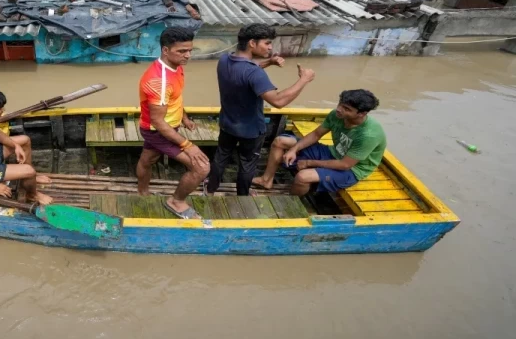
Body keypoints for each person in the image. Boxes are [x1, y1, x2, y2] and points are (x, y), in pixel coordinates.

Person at [207, 23, 316, 196]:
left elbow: (245, 72)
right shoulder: (255, 73)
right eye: (267, 43)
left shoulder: (225, 59)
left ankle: (210, 189)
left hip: (227, 123)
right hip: (251, 129)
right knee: (247, 164)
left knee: (221, 157)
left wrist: (269, 62)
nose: (270, 47)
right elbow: (278, 101)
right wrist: (304, 79)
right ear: (252, 43)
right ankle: (243, 197)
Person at [135, 27, 210, 219]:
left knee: (147, 160)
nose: (188, 55)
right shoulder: (158, 81)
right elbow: (158, 121)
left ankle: (142, 193)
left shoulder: (176, 67)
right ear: (165, 50)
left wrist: (184, 117)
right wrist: (188, 145)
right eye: (182, 51)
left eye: (190, 50)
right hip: (158, 131)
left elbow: (175, 98)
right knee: (201, 167)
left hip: (167, 127)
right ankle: (176, 201)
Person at [253, 89, 386, 195]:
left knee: (303, 177)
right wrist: (294, 149)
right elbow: (316, 134)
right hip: (334, 152)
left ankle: (293, 201)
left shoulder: (368, 135)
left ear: (361, 114)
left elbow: (345, 165)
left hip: (353, 169)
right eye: (340, 104)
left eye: (347, 109)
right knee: (280, 141)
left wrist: (308, 163)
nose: (339, 109)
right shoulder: (336, 115)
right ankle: (266, 180)